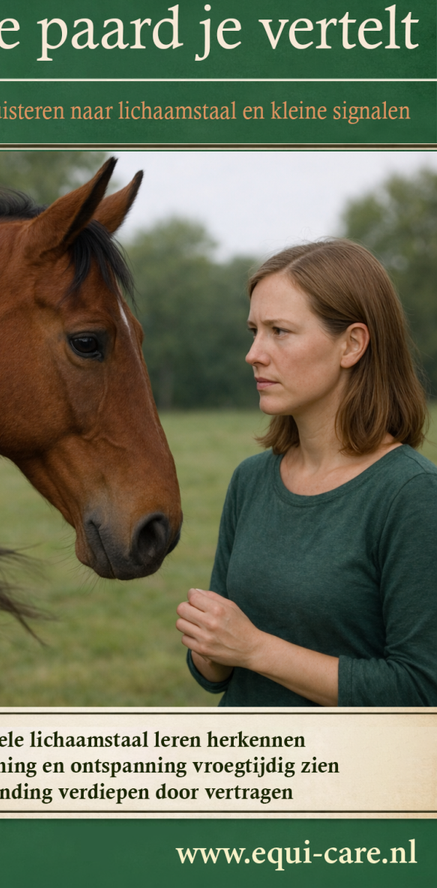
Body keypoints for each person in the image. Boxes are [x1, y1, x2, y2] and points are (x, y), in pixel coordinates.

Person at [176, 239, 437, 706]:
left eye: (280, 331)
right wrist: (209, 646)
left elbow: (419, 689)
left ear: (352, 344)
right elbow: (216, 672)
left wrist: (255, 649)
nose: (254, 353)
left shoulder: (411, 494)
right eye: (254, 330)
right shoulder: (251, 480)